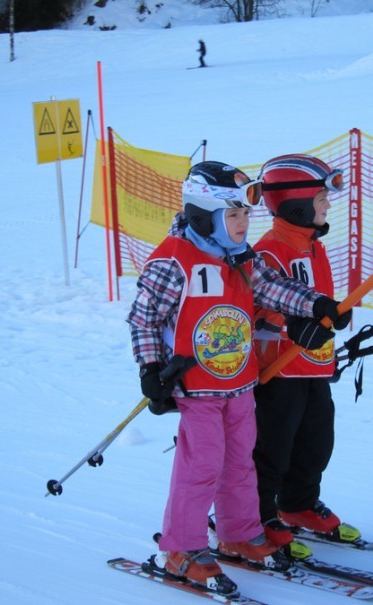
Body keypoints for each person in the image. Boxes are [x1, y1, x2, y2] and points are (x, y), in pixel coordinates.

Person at [126, 161, 348, 595]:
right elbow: (143, 318)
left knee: (240, 461)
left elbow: (274, 288)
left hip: (240, 383)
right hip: (198, 387)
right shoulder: (174, 261)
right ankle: (182, 548)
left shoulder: (242, 259)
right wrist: (151, 369)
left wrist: (317, 304)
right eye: (232, 214)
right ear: (201, 215)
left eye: (245, 214)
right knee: (202, 464)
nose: (244, 223)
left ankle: (239, 533)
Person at [251, 154, 359, 554]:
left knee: (316, 441)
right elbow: (254, 310)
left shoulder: (313, 247)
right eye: (320, 199)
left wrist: (328, 323)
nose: (327, 205)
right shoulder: (269, 251)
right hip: (278, 371)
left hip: (312, 365)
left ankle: (297, 504)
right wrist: (290, 326)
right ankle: (256, 514)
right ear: (296, 203)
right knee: (272, 448)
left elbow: (314, 303)